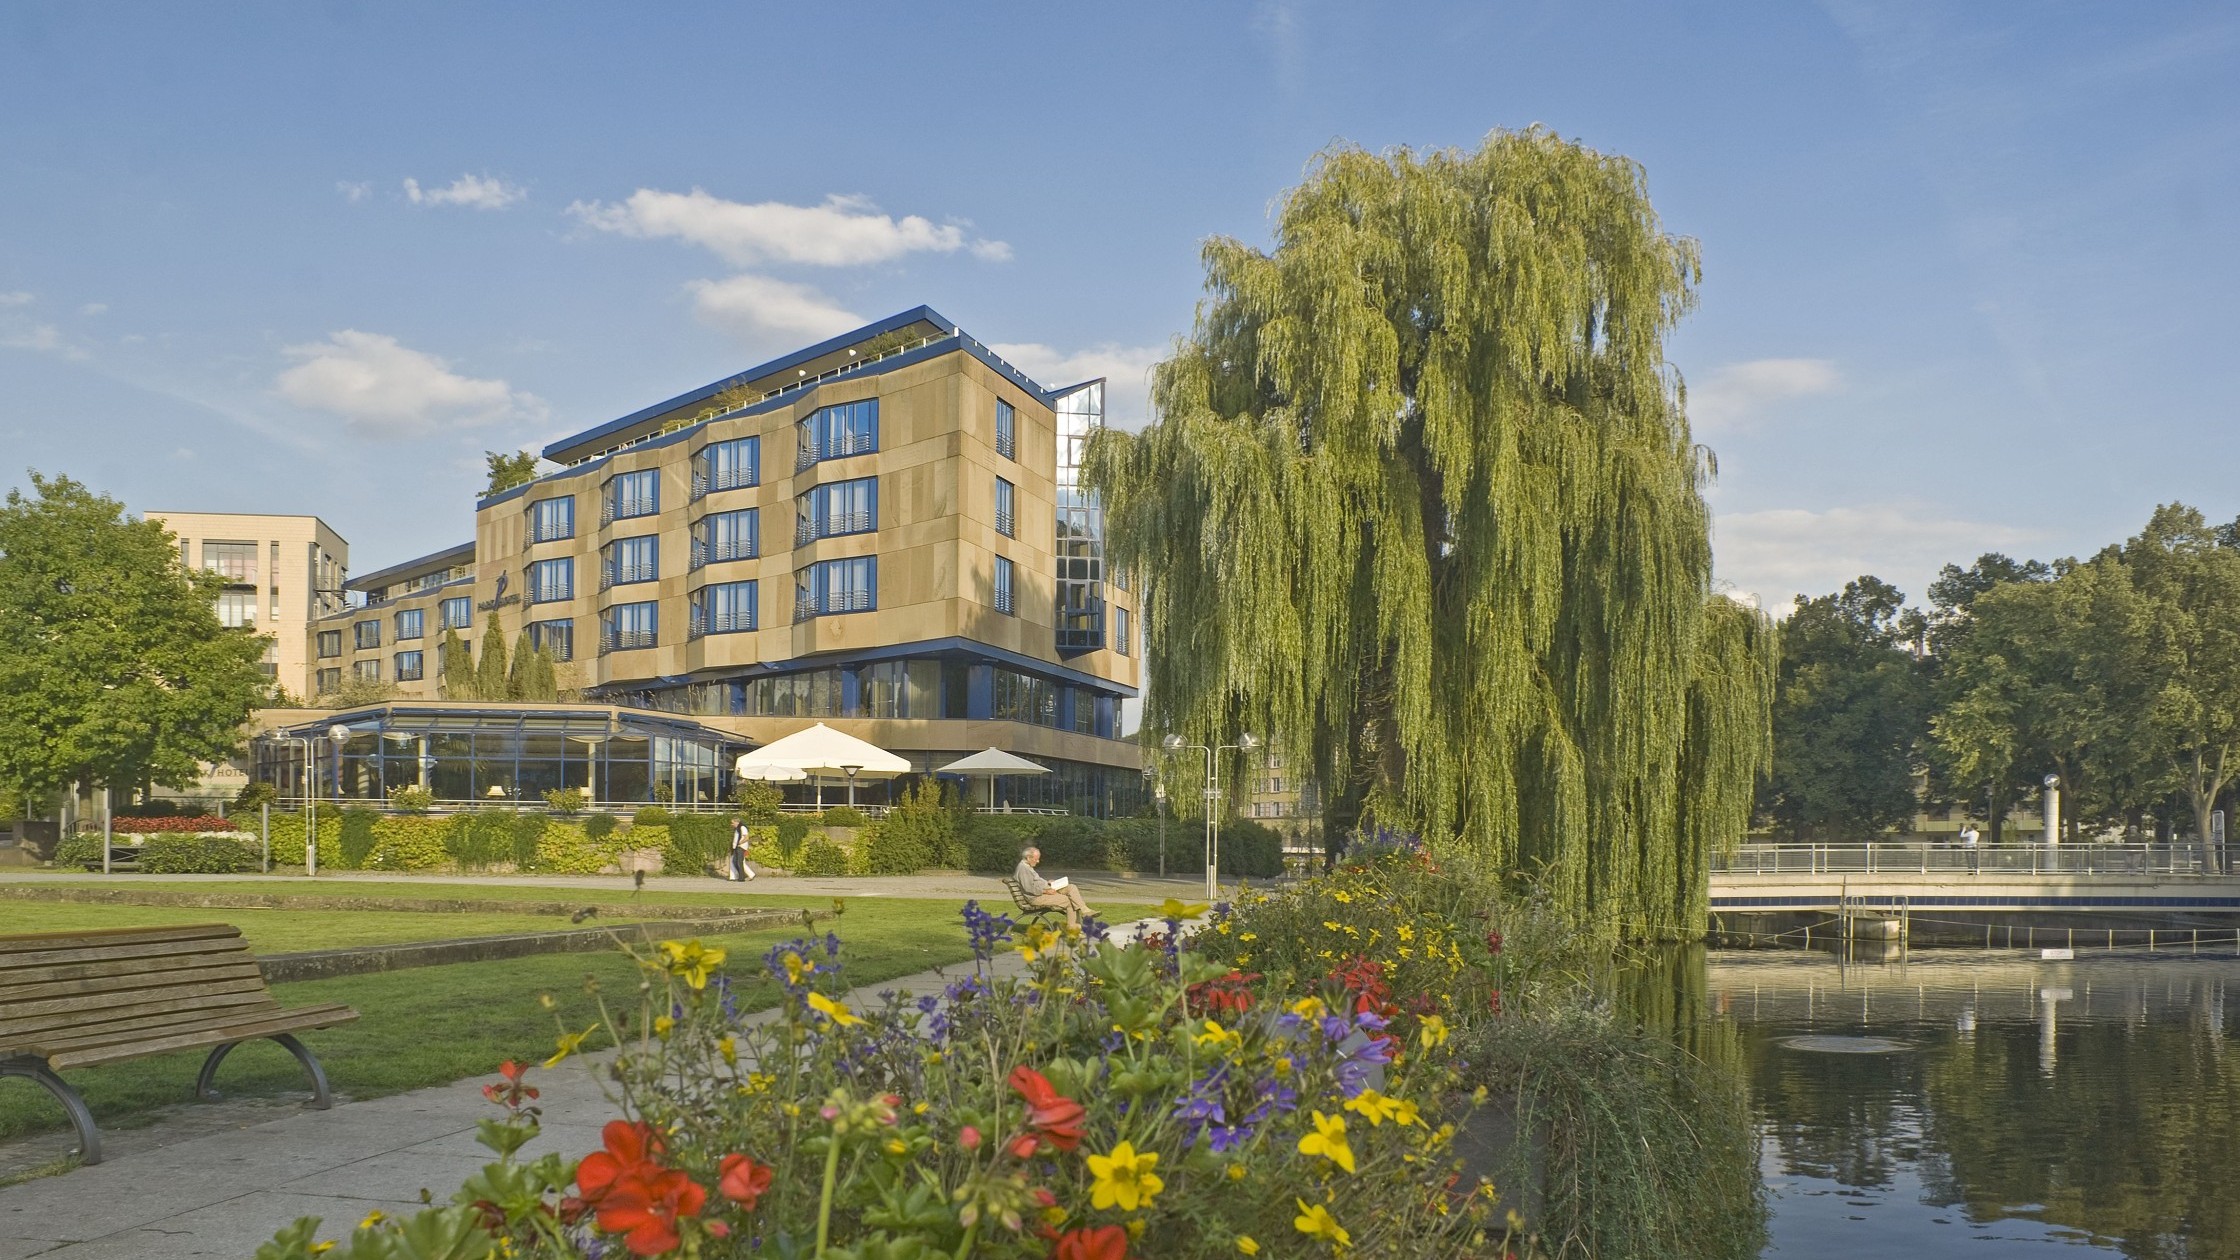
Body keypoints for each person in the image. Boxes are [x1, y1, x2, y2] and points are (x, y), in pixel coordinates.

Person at [1014, 845, 1091, 928]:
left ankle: (1084, 909)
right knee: (1070, 901)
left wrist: (1048, 883)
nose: (1038, 861)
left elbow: (1036, 881)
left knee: (1071, 887)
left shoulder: (1026, 866)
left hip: (1042, 892)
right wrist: (1046, 891)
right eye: (1036, 859)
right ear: (1028, 857)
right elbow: (1029, 888)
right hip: (1036, 898)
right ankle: (1074, 929)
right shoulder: (1023, 869)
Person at [728, 814, 756, 882]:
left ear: (736, 822)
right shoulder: (737, 828)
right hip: (737, 847)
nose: (732, 824)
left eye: (732, 823)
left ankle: (741, 878)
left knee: (739, 862)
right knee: (735, 861)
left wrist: (740, 843)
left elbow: (746, 837)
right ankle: (743, 875)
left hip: (741, 847)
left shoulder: (742, 827)